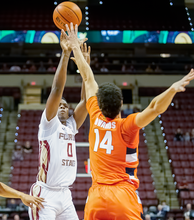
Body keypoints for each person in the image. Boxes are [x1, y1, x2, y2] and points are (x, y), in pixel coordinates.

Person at [63, 22, 194, 220]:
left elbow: (88, 79)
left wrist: (75, 47)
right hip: (123, 197)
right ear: (121, 104)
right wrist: (172, 89)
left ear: (99, 103)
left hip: (96, 199)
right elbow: (154, 107)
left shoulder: (95, 114)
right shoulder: (127, 126)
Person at [28, 29, 88, 220]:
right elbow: (57, 89)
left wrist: (84, 64)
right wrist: (66, 53)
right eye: (58, 104)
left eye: (65, 105)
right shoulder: (48, 124)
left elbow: (86, 101)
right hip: (45, 194)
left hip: (65, 195)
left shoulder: (71, 125)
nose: (61, 105)